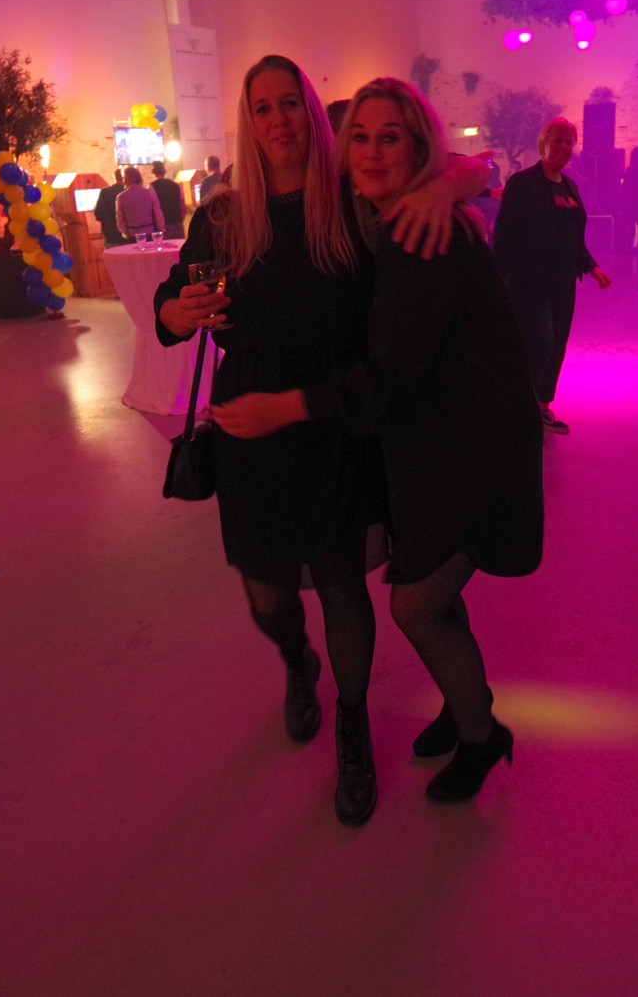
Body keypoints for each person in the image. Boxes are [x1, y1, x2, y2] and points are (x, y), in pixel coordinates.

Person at [152, 54, 483, 827]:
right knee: (268, 595)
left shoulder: (353, 204)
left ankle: (353, 722)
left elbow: (471, 170)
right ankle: (295, 659)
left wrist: (442, 188)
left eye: (290, 103)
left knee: (341, 586)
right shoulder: (225, 217)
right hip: (250, 430)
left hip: (336, 422)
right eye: (262, 107)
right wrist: (176, 312)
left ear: (310, 110)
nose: (278, 120)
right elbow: (172, 298)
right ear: (248, 122)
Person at [216, 77, 540, 804]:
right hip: (435, 445)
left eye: (389, 137)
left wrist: (283, 407)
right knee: (428, 587)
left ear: (420, 148)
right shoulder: (381, 214)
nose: (369, 151)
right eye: (358, 136)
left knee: (416, 604)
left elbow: (386, 380)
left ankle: (483, 735)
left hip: (470, 452)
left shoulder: (420, 237)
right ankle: (462, 706)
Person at [494, 117, 612, 434]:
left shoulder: (570, 187)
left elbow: (574, 238)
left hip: (563, 282)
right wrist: (499, 281)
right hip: (528, 281)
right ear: (544, 143)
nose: (564, 147)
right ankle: (520, 404)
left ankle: (542, 407)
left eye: (570, 142)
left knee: (557, 342)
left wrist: (591, 266)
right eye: (558, 140)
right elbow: (504, 236)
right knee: (539, 340)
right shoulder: (522, 183)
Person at [115, 165, 164, 239]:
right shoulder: (149, 192)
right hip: (149, 231)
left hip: (132, 234)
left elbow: (120, 219)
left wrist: (124, 231)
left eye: (123, 178)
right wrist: (161, 228)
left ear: (126, 179)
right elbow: (157, 212)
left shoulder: (121, 197)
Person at [149, 160, 186, 239]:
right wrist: (179, 220)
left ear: (152, 171)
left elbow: (154, 209)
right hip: (177, 223)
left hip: (163, 226)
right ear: (165, 171)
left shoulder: (151, 187)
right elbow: (183, 207)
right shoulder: (176, 185)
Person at [96, 169, 128, 247]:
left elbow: (98, 213)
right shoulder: (129, 192)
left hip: (111, 236)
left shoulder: (105, 192)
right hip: (128, 235)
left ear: (114, 177)